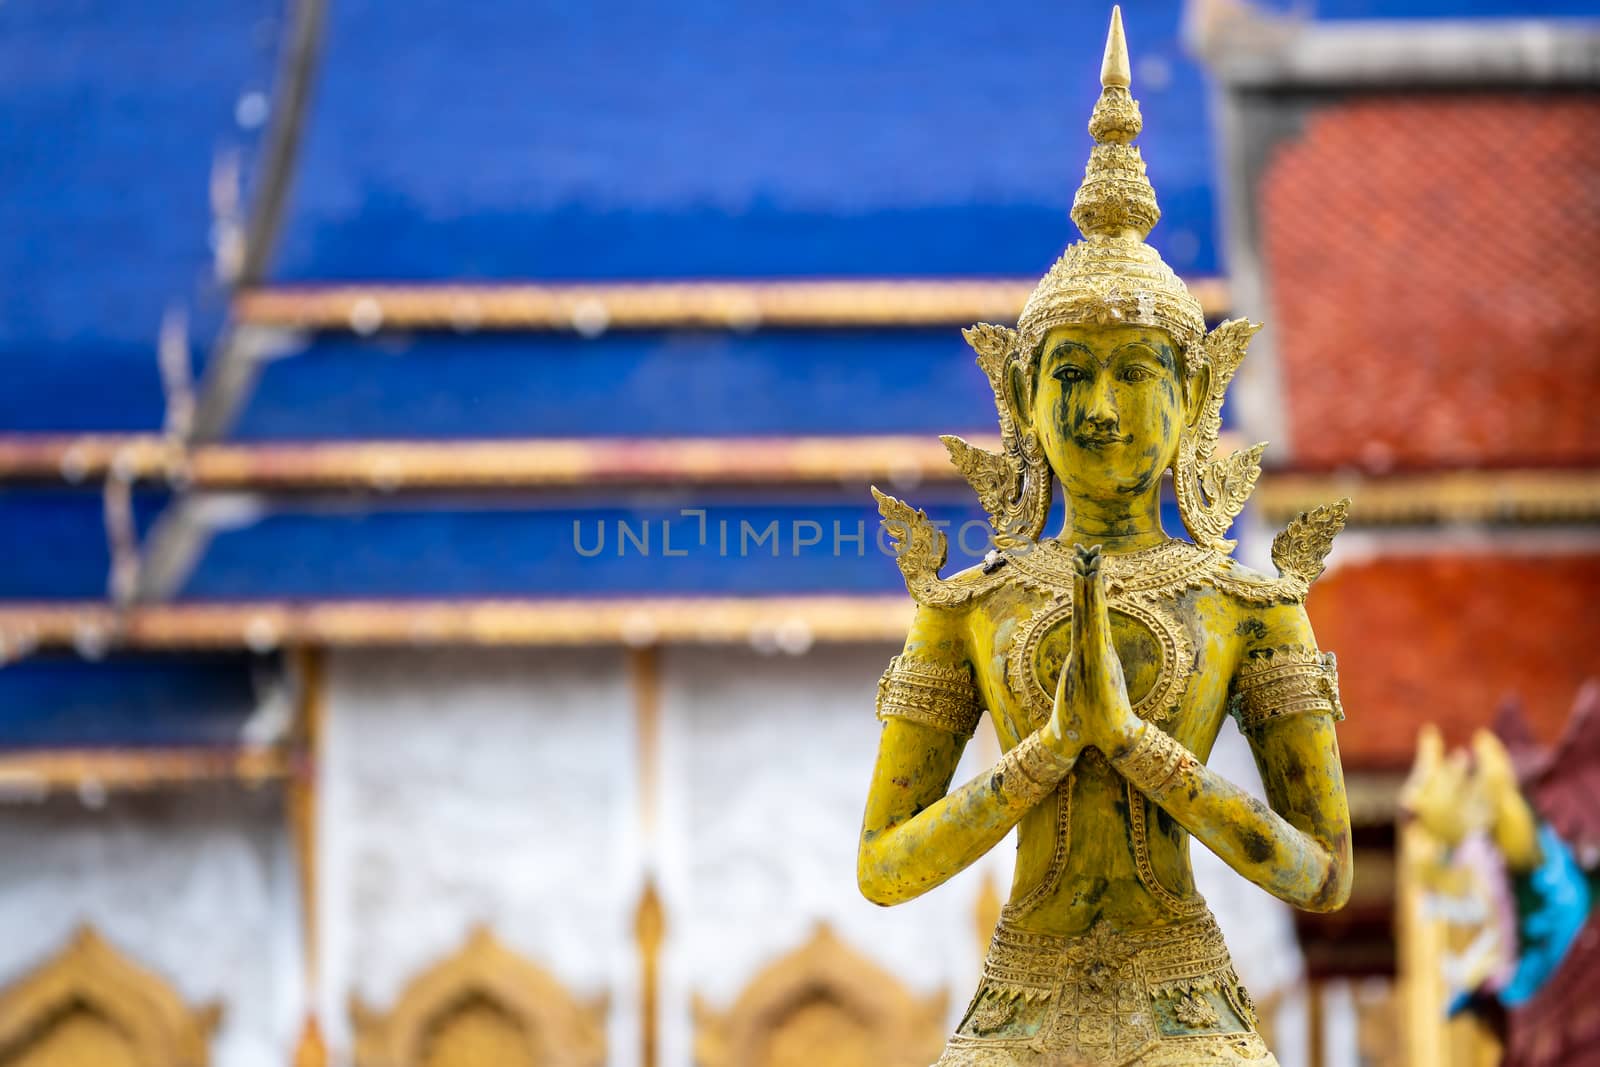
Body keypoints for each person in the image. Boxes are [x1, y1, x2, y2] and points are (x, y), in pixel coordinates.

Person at [857, 9, 1352, 1064]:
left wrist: (1136, 746)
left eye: (1136, 373)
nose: (1100, 408)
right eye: (1069, 375)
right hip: (1015, 1016)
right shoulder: (970, 603)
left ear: (1196, 396)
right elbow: (884, 865)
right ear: (1019, 400)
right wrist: (1045, 750)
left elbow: (1324, 868)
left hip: (1186, 1015)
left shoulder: (1250, 605)